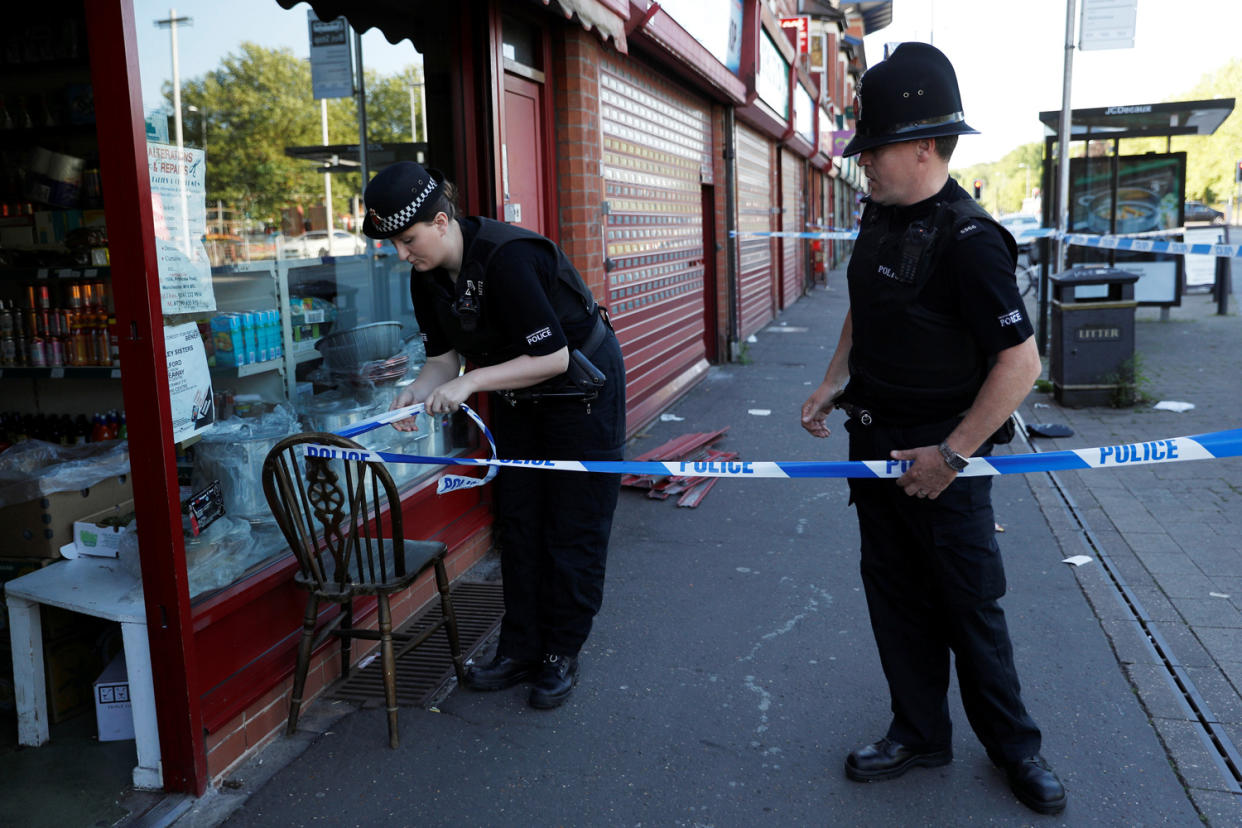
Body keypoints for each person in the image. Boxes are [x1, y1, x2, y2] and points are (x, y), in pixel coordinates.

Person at [799, 43, 1066, 816]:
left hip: (943, 458)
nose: (864, 164)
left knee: (969, 607)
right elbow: (867, 301)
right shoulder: (881, 216)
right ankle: (919, 732)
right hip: (874, 452)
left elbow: (1021, 364)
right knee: (896, 600)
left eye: (874, 149)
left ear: (924, 145)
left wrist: (950, 457)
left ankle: (1018, 750)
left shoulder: (972, 241)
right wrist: (833, 379)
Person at [361, 161, 626, 709]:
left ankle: (560, 653)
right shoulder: (425, 278)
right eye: (393, 244)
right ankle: (520, 648)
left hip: (581, 393)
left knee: (573, 528)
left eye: (408, 240)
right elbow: (442, 360)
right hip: (519, 396)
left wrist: (472, 381)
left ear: (440, 220)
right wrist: (415, 391)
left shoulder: (509, 257)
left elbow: (552, 357)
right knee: (520, 521)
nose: (402, 254)